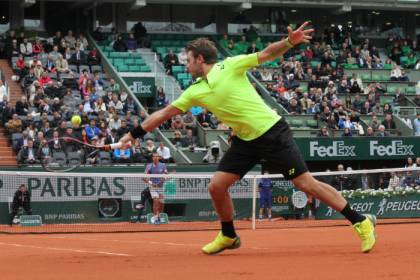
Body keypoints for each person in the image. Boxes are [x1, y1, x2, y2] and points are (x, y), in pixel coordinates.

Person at [108, 22, 376, 255]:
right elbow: (164, 113)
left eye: (188, 60)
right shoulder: (194, 91)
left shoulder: (230, 65)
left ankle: (360, 221)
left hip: (271, 132)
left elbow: (267, 54)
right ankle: (228, 235)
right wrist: (131, 136)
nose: (186, 64)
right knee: (216, 186)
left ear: (200, 59)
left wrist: (288, 42)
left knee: (305, 184)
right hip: (245, 140)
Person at [143, 152, 168, 224]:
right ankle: (155, 217)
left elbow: (166, 175)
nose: (156, 158)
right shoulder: (149, 166)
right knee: (156, 200)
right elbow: (144, 177)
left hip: (160, 186)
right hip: (153, 186)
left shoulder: (163, 165)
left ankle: (159, 215)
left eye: (157, 156)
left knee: (162, 203)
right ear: (152, 158)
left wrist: (163, 180)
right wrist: (151, 183)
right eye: (154, 156)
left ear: (159, 158)